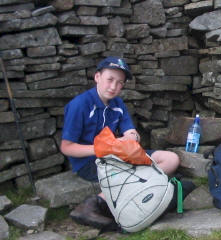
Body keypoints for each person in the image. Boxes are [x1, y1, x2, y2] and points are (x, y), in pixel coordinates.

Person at [60, 56, 180, 228]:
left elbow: (131, 132)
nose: (114, 87)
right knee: (138, 170)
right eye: (110, 79)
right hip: (90, 161)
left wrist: (131, 137)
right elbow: (67, 147)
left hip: (118, 154)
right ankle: (92, 205)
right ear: (97, 77)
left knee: (171, 159)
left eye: (120, 83)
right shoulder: (80, 105)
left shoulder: (117, 103)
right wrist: (102, 149)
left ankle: (135, 195)